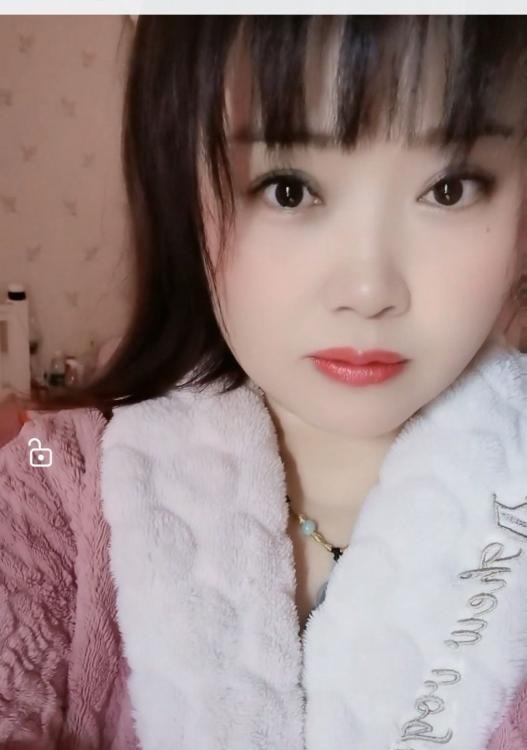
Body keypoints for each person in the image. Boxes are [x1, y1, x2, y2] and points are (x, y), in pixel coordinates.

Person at [2, 15, 527, 750]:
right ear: (181, 195)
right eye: (288, 189)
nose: (368, 290)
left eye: (449, 188)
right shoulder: (56, 478)